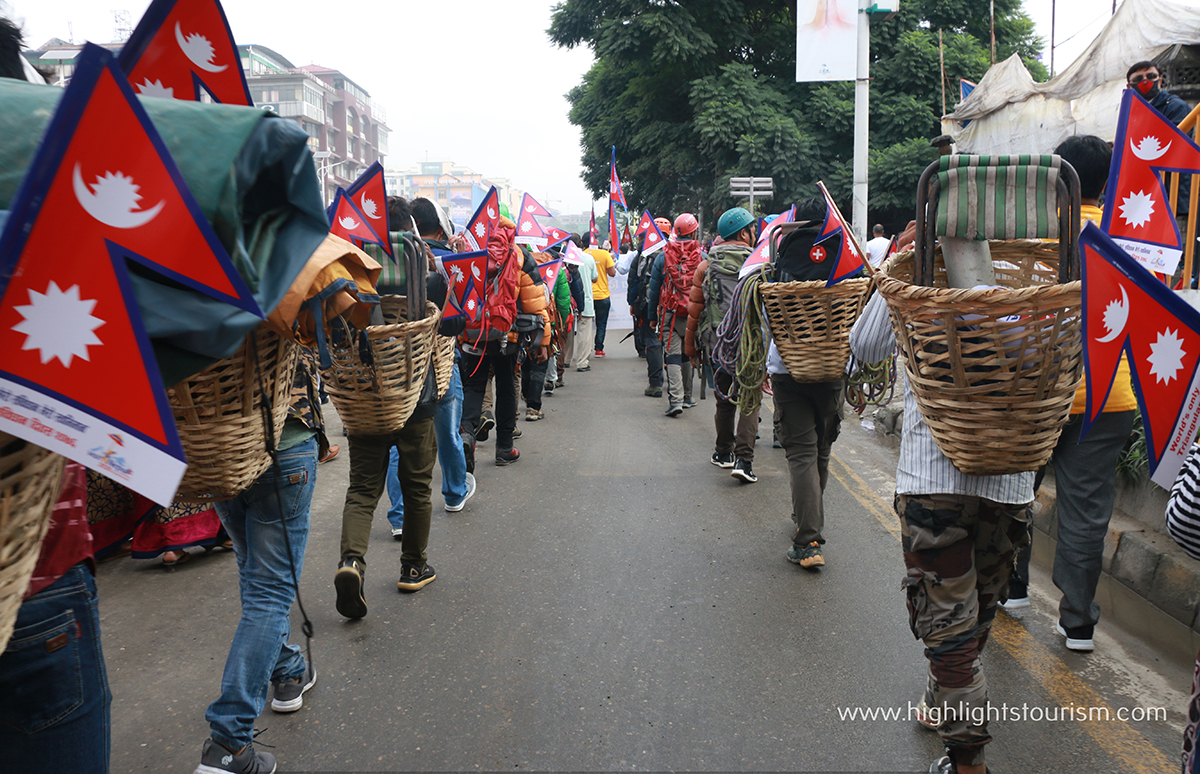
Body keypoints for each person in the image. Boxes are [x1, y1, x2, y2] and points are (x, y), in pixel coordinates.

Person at [851, 274, 1031, 774]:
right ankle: (941, 703)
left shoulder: (919, 261)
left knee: (953, 630)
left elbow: (865, 345)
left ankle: (968, 761)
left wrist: (897, 270)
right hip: (1009, 479)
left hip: (934, 479)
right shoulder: (1039, 264)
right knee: (973, 616)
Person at [1002, 136, 1135, 655]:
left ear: (1055, 178)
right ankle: (1078, 624)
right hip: (1108, 395)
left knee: (1014, 493)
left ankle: (1011, 589)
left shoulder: (1032, 236)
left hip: (1033, 390)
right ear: (1107, 183)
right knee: (1087, 515)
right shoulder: (1128, 237)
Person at [195, 347, 326, 774]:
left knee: (255, 575)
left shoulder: (181, 291)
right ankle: (229, 742)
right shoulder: (278, 282)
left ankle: (286, 669)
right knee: (268, 591)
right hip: (282, 442)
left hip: (221, 448)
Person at [334, 237, 466, 619]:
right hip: (415, 398)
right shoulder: (429, 281)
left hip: (363, 400)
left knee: (361, 489)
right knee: (417, 485)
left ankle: (352, 563)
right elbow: (455, 325)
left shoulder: (344, 278)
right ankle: (412, 567)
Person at [377, 198, 475, 542]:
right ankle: (454, 492)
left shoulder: (365, 267)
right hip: (436, 364)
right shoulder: (436, 267)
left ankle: (399, 515)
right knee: (446, 431)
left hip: (389, 371)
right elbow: (456, 321)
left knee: (395, 444)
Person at [687, 206, 759, 481]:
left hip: (718, 342)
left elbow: (695, 308)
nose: (755, 233)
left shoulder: (706, 265)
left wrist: (690, 347)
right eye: (752, 229)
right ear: (743, 232)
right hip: (751, 343)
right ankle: (745, 461)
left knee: (725, 399)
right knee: (750, 399)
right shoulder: (758, 263)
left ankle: (723, 452)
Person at [649, 213, 702, 415]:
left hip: (670, 314)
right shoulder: (702, 256)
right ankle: (688, 396)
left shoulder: (663, 256)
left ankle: (676, 401)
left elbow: (654, 290)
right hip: (693, 315)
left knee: (672, 356)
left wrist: (652, 317)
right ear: (694, 231)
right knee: (687, 355)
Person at [584, 233, 616, 358]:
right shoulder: (604, 254)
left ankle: (585, 351)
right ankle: (598, 349)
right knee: (601, 324)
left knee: (585, 325)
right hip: (602, 295)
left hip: (588, 295)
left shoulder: (583, 255)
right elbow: (612, 273)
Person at [572, 235, 599, 372]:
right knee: (584, 333)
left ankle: (564, 360)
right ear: (581, 243)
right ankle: (582, 362)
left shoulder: (564, 258)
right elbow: (595, 279)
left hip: (568, 300)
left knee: (568, 332)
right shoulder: (588, 258)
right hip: (586, 300)